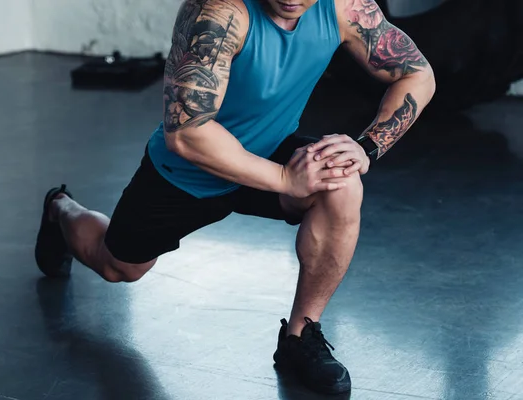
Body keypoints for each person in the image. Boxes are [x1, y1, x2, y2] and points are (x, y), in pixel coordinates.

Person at [35, 0, 435, 394]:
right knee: (117, 266)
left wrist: (367, 147)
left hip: (270, 149)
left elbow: (418, 74)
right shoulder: (218, 13)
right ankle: (60, 209)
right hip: (188, 173)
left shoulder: (345, 8)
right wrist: (282, 178)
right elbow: (187, 134)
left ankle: (300, 336)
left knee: (342, 183)